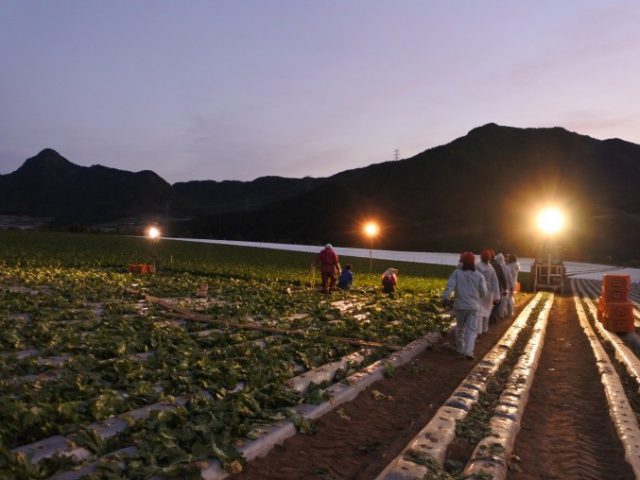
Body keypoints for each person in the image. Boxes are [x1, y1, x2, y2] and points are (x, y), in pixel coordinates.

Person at [441, 252, 487, 360]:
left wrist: (445, 298)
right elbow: (484, 292)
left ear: (462, 261)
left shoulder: (457, 273)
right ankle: (468, 352)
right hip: (473, 306)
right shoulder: (479, 275)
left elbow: (450, 286)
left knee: (460, 328)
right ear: (473, 262)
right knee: (471, 330)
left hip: (460, 305)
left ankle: (460, 349)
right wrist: (476, 295)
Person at [476, 249, 500, 335]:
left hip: (478, 291)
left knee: (478, 312)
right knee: (487, 311)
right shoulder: (491, 269)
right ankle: (485, 329)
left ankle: (478, 331)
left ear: (481, 257)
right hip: (489, 293)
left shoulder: (476, 265)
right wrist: (497, 296)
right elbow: (495, 283)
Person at [489, 249, 507, 323]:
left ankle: (490, 317)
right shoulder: (498, 265)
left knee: (488, 304)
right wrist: (505, 288)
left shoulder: (485, 265)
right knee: (496, 303)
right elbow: (503, 277)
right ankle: (492, 317)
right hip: (497, 288)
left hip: (487, 288)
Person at [493, 253, 513, 319]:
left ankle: (499, 314)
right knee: (505, 300)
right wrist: (512, 287)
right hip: (506, 288)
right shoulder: (507, 268)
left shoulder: (495, 267)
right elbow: (510, 279)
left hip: (498, 287)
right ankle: (503, 314)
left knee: (498, 301)